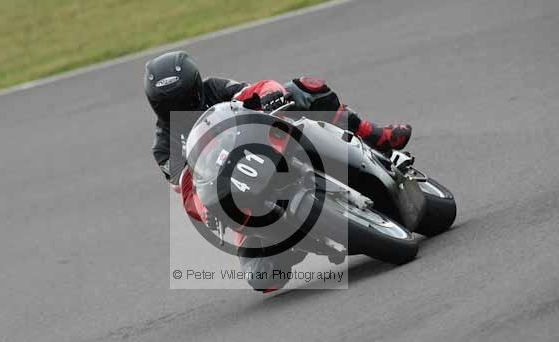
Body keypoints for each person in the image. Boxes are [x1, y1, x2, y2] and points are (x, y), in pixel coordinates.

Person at [145, 51, 412, 292]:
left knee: (304, 88)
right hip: (240, 193)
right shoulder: (164, 146)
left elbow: (255, 90)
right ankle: (291, 244)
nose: (179, 107)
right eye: (168, 104)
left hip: (270, 145)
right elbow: (186, 187)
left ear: (196, 87)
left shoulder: (214, 88)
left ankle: (377, 136)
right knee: (262, 277)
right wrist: (204, 210)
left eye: (185, 98)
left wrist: (271, 94)